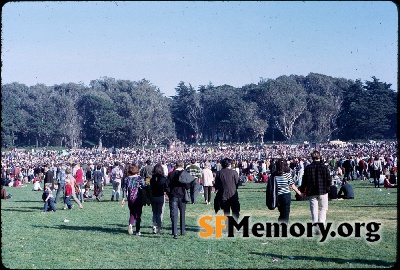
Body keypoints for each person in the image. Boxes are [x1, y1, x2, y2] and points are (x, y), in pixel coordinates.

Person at [300, 150, 331, 235]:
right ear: (320, 157)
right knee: (323, 209)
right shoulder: (324, 167)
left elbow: (304, 181)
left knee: (314, 210)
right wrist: (328, 188)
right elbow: (329, 180)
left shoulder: (308, 168)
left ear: (311, 157)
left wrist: (302, 191)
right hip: (323, 191)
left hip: (312, 192)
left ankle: (316, 227)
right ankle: (321, 225)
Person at [165, 160, 191, 239]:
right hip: (182, 195)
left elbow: (167, 185)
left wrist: (169, 193)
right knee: (182, 213)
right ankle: (182, 231)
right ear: (183, 166)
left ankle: (174, 231)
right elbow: (188, 186)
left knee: (174, 214)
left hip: (173, 195)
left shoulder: (171, 174)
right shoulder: (185, 174)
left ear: (175, 166)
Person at [271, 159, 302, 224]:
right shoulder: (287, 174)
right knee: (286, 213)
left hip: (277, 196)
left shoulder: (273, 175)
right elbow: (293, 186)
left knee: (281, 212)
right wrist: (299, 193)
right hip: (286, 195)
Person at [214, 158, 240, 229]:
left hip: (223, 194)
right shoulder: (234, 172)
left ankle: (227, 226)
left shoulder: (219, 173)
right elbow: (237, 183)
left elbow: (217, 185)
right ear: (229, 164)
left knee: (226, 212)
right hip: (233, 193)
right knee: (235, 210)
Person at [121, 164, 147, 236]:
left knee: (132, 213)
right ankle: (138, 231)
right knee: (138, 215)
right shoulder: (139, 178)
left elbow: (124, 189)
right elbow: (144, 186)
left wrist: (123, 199)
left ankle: (130, 224)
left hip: (130, 198)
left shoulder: (126, 179)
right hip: (138, 198)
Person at [150, 163, 167, 234]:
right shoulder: (164, 179)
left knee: (154, 212)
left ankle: (154, 226)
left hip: (153, 197)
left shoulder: (151, 179)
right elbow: (165, 188)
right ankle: (159, 229)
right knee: (160, 213)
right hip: (160, 196)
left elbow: (149, 186)